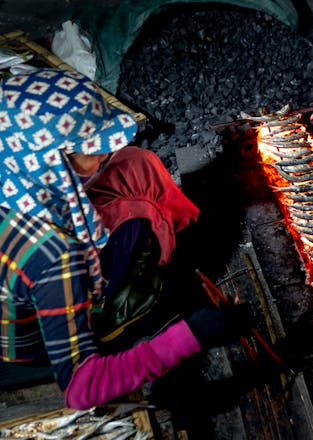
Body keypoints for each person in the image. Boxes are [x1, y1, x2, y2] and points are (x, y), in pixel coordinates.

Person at [0, 68, 250, 410]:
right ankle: (118, 315)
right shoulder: (55, 256)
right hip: (31, 345)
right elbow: (81, 389)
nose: (104, 153)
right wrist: (193, 333)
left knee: (135, 163)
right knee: (136, 219)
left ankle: (171, 245)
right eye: (92, 148)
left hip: (18, 279)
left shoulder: (12, 155)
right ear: (52, 160)